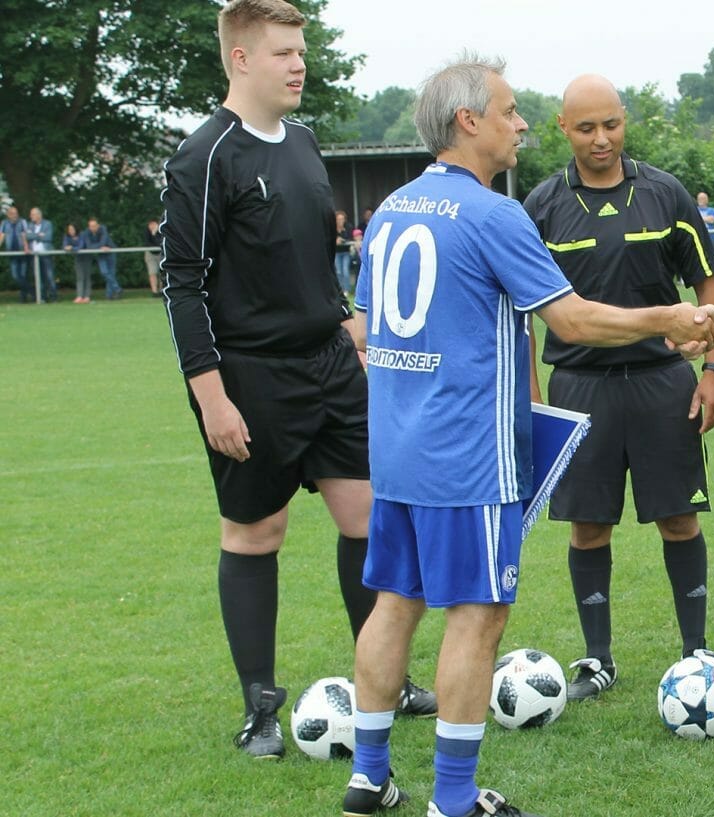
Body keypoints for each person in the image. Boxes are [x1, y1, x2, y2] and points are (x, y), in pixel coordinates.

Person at [344, 55, 714, 817]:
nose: (522, 125)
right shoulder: (493, 212)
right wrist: (665, 318)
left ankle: (368, 775)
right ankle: (453, 799)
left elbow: (363, 330)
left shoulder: (390, 212)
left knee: (393, 603)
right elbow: (573, 320)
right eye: (511, 111)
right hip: (467, 458)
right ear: (468, 121)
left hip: (397, 451)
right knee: (477, 616)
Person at [159, 0, 434, 762]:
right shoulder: (203, 158)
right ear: (241, 58)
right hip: (250, 374)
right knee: (258, 531)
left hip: (333, 364)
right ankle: (259, 706)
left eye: (300, 50)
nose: (298, 63)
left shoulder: (307, 143)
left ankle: (384, 676)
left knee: (368, 517)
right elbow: (183, 284)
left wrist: (350, 324)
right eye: (283, 51)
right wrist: (210, 393)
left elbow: (314, 255)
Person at [523, 74, 714, 703]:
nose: (601, 138)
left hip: (664, 384)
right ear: (563, 128)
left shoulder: (665, 193)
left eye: (610, 124)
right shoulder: (540, 207)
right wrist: (533, 404)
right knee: (588, 527)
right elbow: (520, 316)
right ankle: (597, 659)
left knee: (679, 518)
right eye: (586, 127)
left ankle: (695, 653)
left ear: (624, 119)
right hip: (579, 389)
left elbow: (710, 289)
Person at [79, 217, 122, 300]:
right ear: (88, 226)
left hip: (111, 251)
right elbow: (89, 246)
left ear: (98, 225)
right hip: (101, 254)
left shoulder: (103, 229)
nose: (93, 228)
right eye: (91, 226)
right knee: (104, 272)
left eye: (94, 226)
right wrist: (100, 247)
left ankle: (109, 295)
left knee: (111, 273)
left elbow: (103, 242)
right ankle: (117, 289)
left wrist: (97, 246)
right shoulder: (86, 233)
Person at [24, 207, 57, 302]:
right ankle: (41, 297)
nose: (31, 216)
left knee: (49, 276)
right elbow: (27, 236)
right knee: (38, 278)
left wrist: (34, 236)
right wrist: (39, 235)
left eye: (33, 214)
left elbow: (48, 237)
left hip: (46, 254)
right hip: (34, 256)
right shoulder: (30, 225)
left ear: (39, 215)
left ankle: (53, 297)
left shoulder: (47, 224)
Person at [2, 205, 30, 302]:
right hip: (12, 253)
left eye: (16, 213)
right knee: (15, 276)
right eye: (12, 214)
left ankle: (23, 297)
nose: (14, 215)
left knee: (22, 274)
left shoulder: (22, 222)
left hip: (22, 253)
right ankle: (31, 290)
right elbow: (2, 236)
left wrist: (26, 247)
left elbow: (25, 235)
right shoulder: (4, 223)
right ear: (8, 215)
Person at [64, 223, 90, 303]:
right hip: (78, 258)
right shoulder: (67, 236)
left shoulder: (82, 234)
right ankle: (79, 296)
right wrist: (67, 247)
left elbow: (81, 246)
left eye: (72, 229)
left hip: (86, 257)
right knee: (79, 276)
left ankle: (86, 296)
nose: (70, 231)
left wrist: (72, 248)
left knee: (86, 276)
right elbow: (64, 246)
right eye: (69, 230)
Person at [334, 209, 354, 294]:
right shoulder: (333, 228)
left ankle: (347, 289)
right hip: (337, 252)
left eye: (342, 219)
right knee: (338, 271)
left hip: (346, 252)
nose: (340, 221)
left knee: (345, 270)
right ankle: (340, 289)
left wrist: (342, 239)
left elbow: (351, 239)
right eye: (338, 219)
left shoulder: (348, 227)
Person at [143, 219, 164, 296]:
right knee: (152, 273)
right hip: (150, 254)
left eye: (153, 224)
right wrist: (152, 234)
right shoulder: (146, 232)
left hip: (161, 253)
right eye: (150, 224)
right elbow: (147, 243)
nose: (152, 226)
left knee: (163, 272)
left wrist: (155, 234)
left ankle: (162, 290)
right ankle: (154, 291)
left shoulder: (162, 231)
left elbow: (160, 243)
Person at [696, 191, 714, 257]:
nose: (700, 200)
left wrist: (699, 218)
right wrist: (705, 219)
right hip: (699, 235)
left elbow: (711, 220)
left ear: (707, 200)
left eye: (702, 198)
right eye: (699, 198)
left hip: (710, 236)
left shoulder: (711, 210)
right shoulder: (695, 209)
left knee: (711, 255)